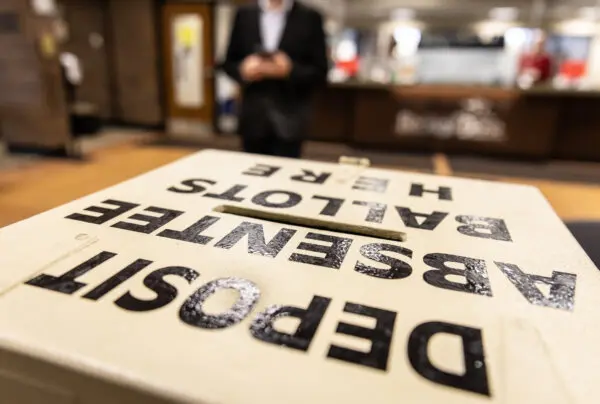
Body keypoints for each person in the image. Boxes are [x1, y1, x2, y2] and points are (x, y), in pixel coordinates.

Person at [222, 0, 328, 158]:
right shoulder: (244, 14)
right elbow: (228, 63)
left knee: (286, 177)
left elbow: (320, 72)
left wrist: (290, 70)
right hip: (253, 118)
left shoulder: (310, 17)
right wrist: (243, 69)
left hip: (290, 119)